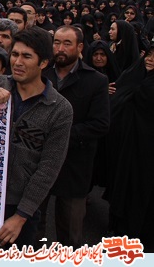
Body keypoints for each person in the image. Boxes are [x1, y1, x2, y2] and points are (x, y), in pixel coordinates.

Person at [0, 27, 73, 248]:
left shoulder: (59, 109)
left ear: (43, 63)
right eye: (15, 54)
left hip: (19, 207)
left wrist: (21, 216)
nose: (17, 62)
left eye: (27, 56)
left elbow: (48, 168)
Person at [37, 26, 109, 248]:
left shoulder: (96, 80)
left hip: (74, 164)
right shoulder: (41, 74)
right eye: (57, 42)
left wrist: (61, 135)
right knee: (34, 224)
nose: (60, 48)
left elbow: (100, 124)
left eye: (67, 43)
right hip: (38, 161)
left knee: (70, 232)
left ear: (80, 47)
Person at [105, 45, 154, 252]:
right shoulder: (134, 74)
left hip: (147, 151)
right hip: (127, 145)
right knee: (125, 185)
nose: (150, 59)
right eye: (149, 54)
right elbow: (118, 95)